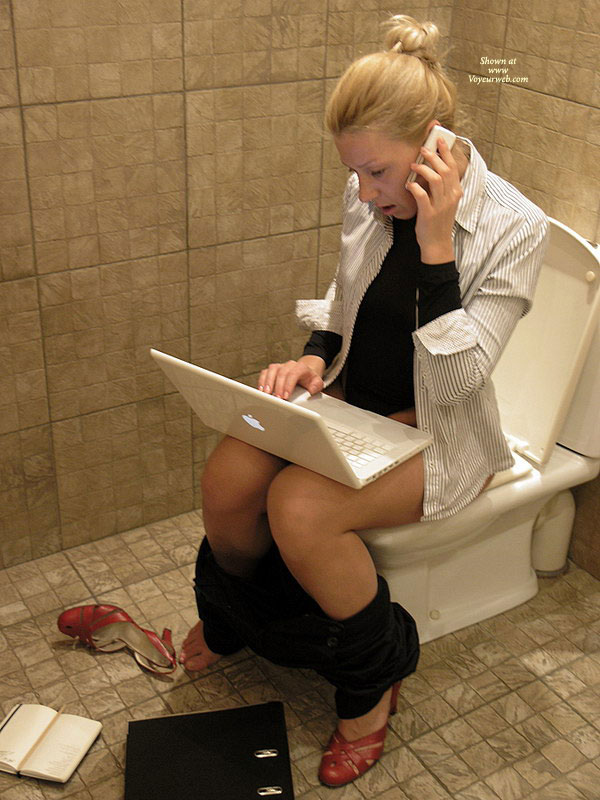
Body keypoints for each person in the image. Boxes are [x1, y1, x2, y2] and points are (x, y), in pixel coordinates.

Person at [180, 14, 549, 788]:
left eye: (376, 173)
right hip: (354, 404)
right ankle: (246, 622)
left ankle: (370, 684)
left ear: (433, 147)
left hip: (441, 435)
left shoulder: (515, 229)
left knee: (301, 508)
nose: (362, 191)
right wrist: (314, 359)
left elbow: (456, 383)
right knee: (229, 481)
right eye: (355, 172)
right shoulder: (373, 193)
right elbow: (348, 301)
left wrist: (439, 246)